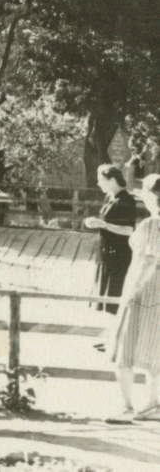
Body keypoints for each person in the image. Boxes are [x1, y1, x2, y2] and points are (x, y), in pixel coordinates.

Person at [110, 173, 160, 421]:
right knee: (155, 350)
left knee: (125, 348)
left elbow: (150, 259)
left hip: (145, 290)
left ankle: (127, 406)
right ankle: (153, 404)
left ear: (152, 197)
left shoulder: (152, 225)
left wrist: (132, 292)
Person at [85, 164, 137, 316]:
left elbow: (129, 230)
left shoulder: (127, 201)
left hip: (119, 258)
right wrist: (95, 222)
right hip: (106, 256)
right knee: (104, 305)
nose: (98, 183)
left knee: (114, 304)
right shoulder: (110, 197)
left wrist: (103, 225)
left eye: (101, 180)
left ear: (112, 180)